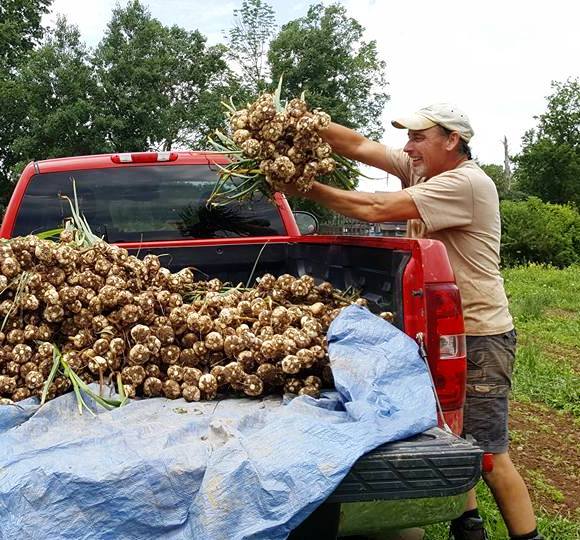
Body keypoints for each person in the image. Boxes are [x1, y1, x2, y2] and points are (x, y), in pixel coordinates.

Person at [280, 104, 543, 540]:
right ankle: (469, 525)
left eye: (418, 137)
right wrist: (293, 120)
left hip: (478, 336)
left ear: (451, 140)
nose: (408, 147)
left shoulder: (466, 182)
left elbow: (374, 208)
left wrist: (303, 187)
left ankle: (527, 536)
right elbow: (359, 145)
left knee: (489, 454)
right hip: (434, 332)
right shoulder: (425, 170)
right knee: (446, 431)